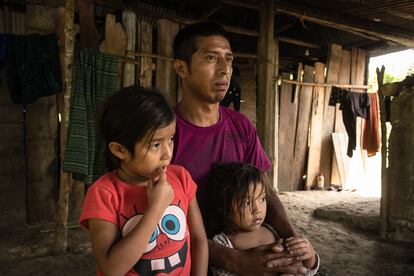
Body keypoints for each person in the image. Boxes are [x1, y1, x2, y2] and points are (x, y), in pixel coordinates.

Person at [172, 21, 308, 275]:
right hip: (188, 260)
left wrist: (293, 240)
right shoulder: (164, 134)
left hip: (243, 248)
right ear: (181, 68)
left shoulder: (240, 126)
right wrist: (233, 260)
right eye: (211, 58)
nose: (225, 70)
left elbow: (265, 190)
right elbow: (162, 223)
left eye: (229, 59)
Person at [79, 86, 208, 276]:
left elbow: (198, 240)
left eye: (170, 139)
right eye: (156, 144)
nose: (167, 153)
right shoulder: (104, 194)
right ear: (120, 150)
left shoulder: (181, 177)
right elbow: (111, 269)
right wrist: (156, 208)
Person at [207, 162, 320, 276]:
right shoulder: (223, 243)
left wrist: (310, 256)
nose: (257, 210)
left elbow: (306, 270)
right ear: (224, 207)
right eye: (247, 203)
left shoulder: (273, 229)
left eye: (262, 199)